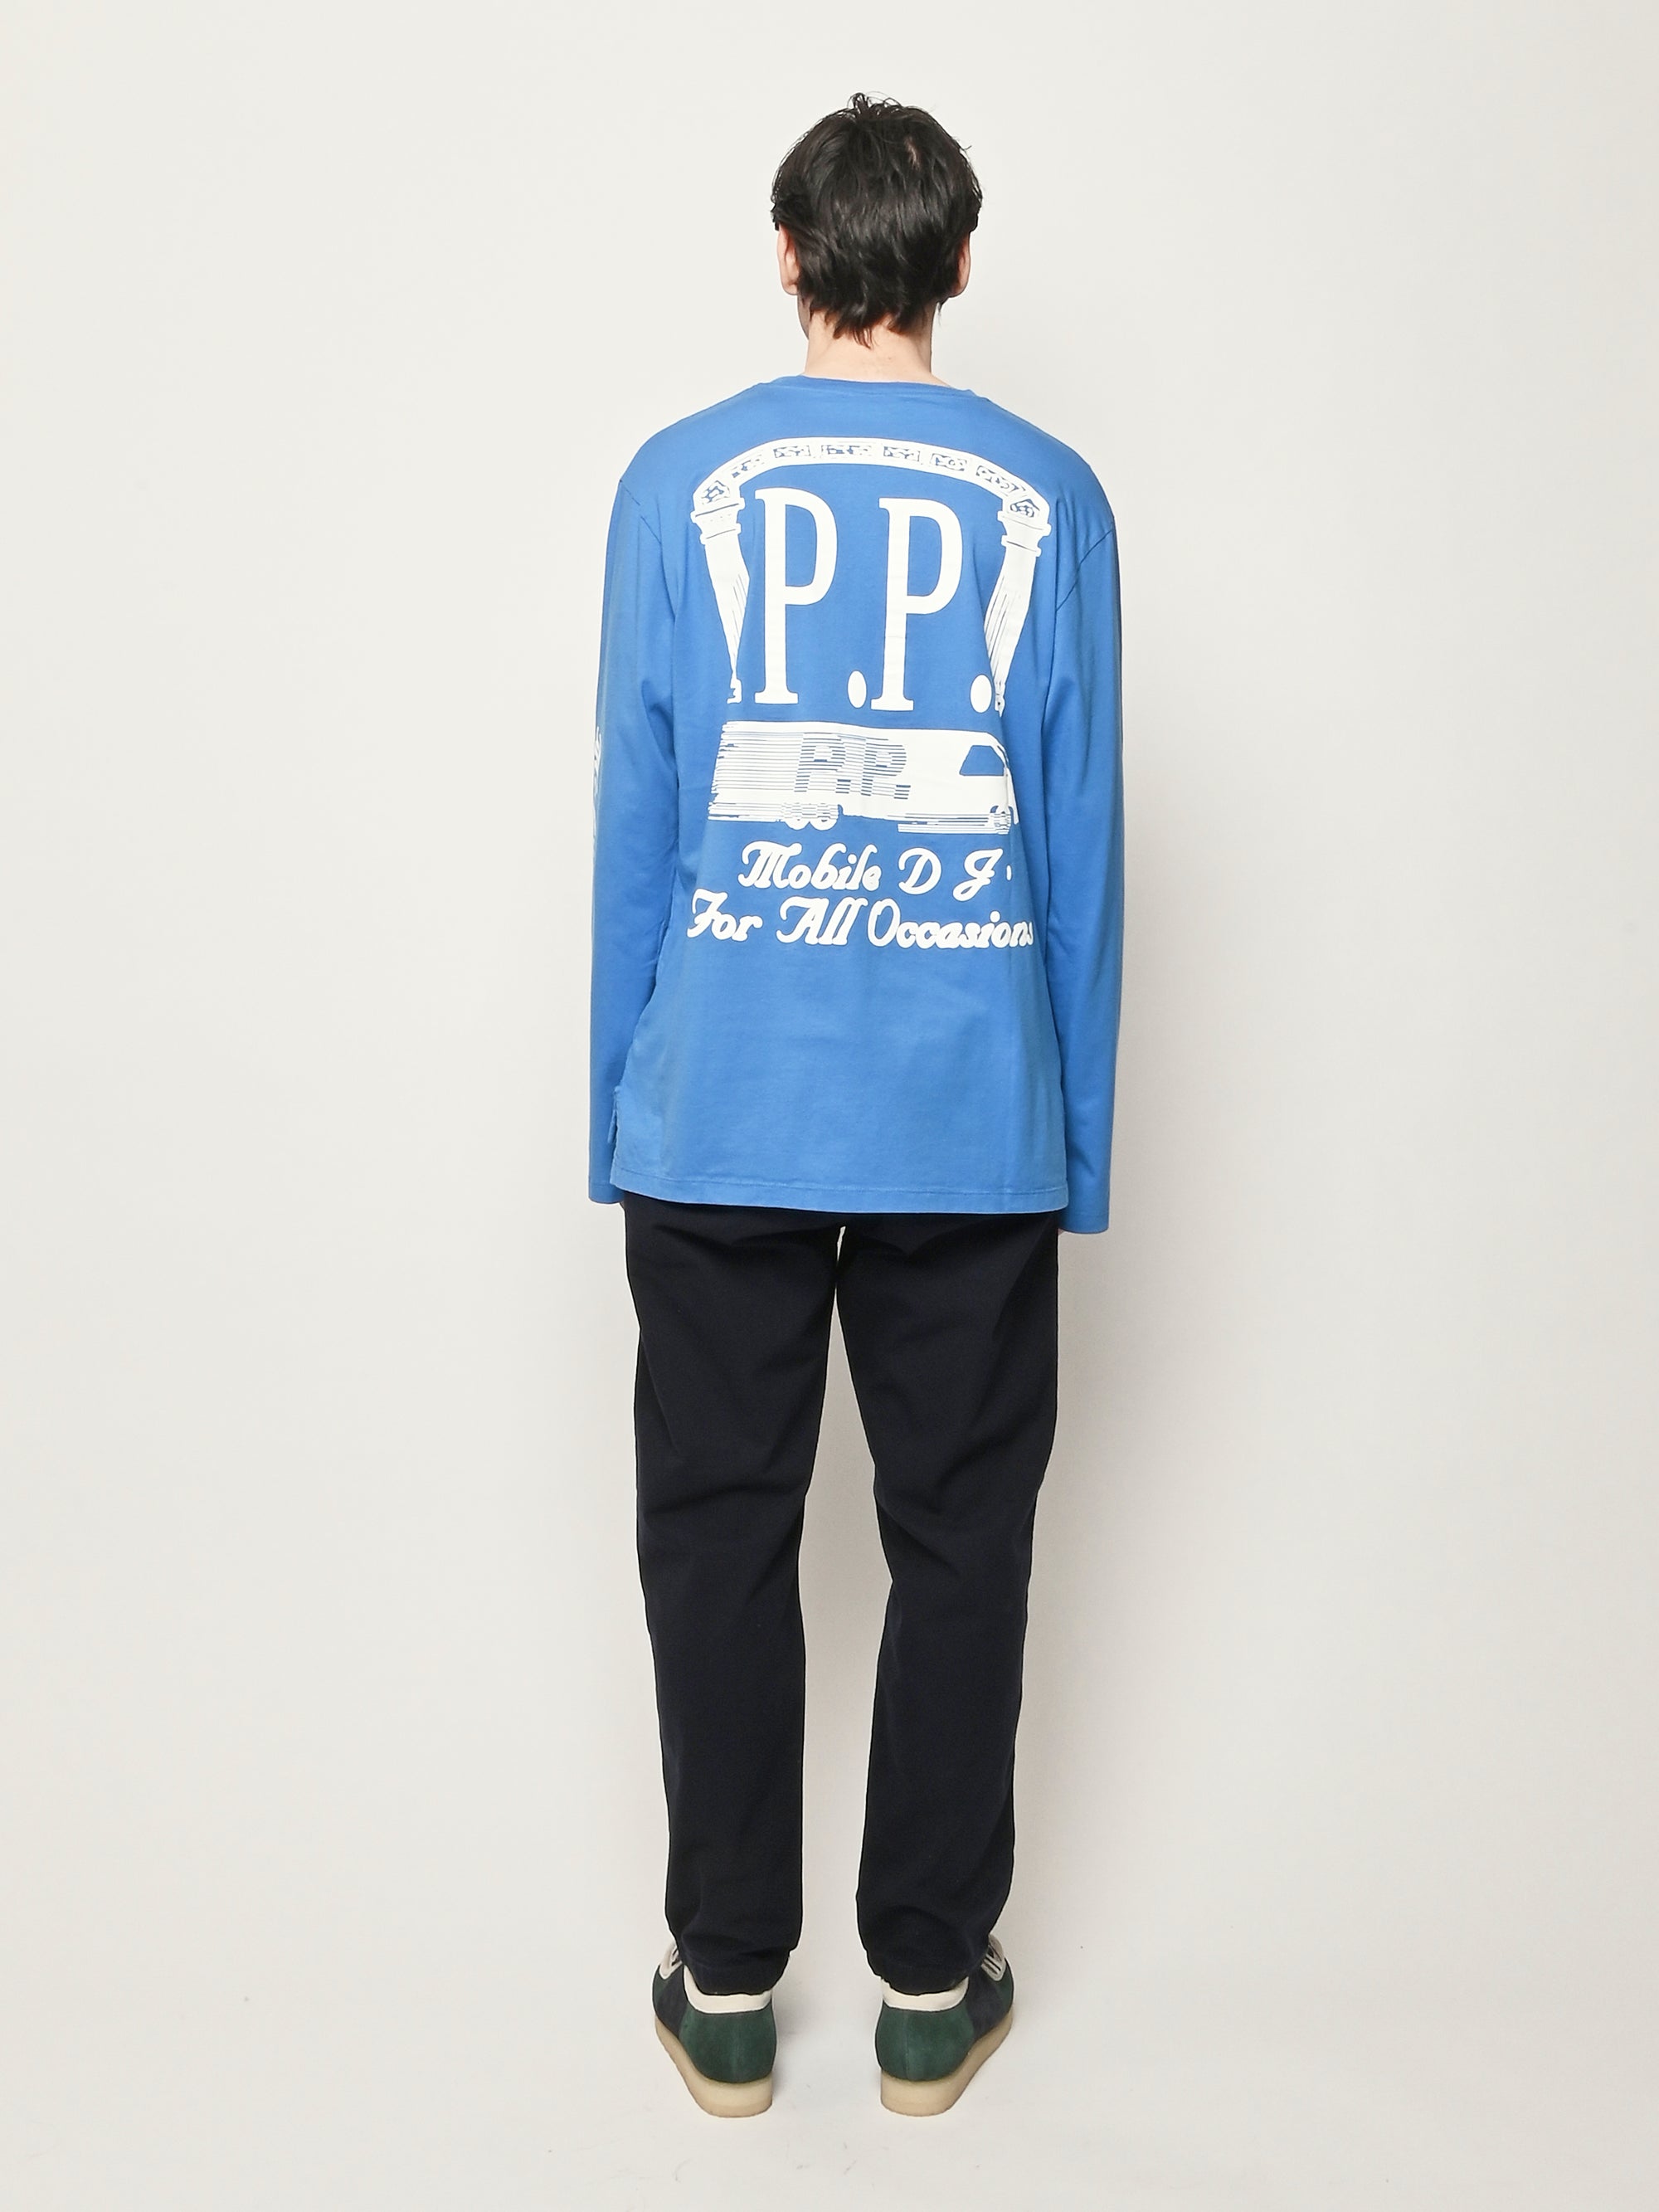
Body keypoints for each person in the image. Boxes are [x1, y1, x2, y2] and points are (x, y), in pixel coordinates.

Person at [588, 93, 1125, 2118]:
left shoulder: (676, 481)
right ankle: (925, 1981)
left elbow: (641, 809)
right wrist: (1073, 1142)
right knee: (962, 1537)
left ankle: (726, 1981)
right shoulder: (1049, 497)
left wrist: (619, 1104)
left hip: (717, 1097)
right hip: (967, 1107)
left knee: (715, 1534)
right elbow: (1080, 834)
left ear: (788, 256)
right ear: (959, 265)